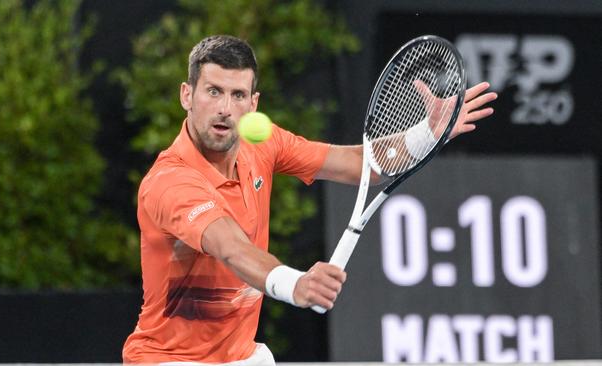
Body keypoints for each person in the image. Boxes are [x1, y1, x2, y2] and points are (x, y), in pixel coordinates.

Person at [122, 35, 497, 365]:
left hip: (240, 357)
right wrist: (294, 284)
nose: (224, 108)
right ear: (187, 95)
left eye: (237, 95)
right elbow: (231, 248)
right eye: (213, 91)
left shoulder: (262, 143)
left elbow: (359, 164)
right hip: (167, 360)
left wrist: (425, 134)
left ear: (253, 104)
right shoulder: (170, 181)